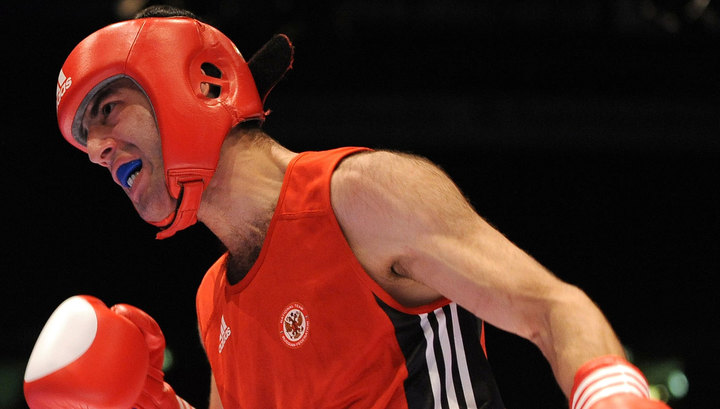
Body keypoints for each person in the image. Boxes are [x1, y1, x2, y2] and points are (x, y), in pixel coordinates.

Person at [25, 5, 671, 409]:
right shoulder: (213, 299)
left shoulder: (360, 196)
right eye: (86, 139)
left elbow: (552, 308)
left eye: (107, 110)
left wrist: (612, 394)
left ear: (193, 84)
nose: (98, 149)